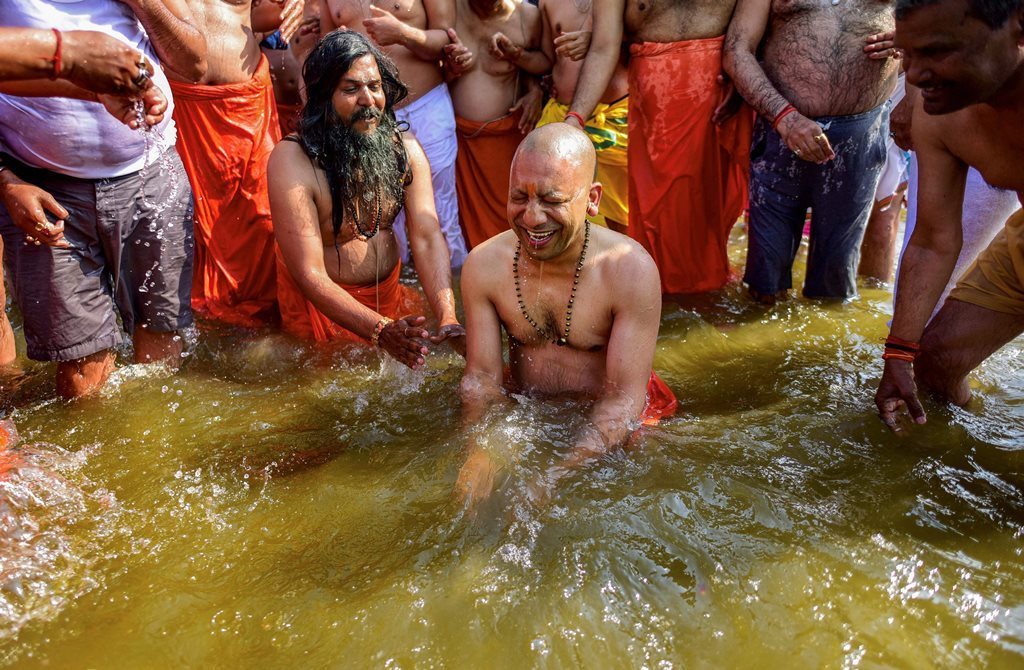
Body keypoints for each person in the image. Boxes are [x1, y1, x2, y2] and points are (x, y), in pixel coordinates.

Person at [455, 124, 676, 505]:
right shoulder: (485, 266)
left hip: (620, 412)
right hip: (530, 403)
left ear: (591, 199)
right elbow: (482, 381)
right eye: (518, 198)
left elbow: (624, 400)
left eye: (551, 200)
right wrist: (480, 452)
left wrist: (560, 471)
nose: (532, 217)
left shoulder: (630, 270)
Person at [0, 0, 205, 399]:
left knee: (163, 340)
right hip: (43, 188)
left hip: (151, 173)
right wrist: (5, 180)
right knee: (80, 374)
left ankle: (155, 451)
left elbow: (195, 65)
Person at [268, 30, 464, 366]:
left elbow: (428, 236)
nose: (368, 100)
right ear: (323, 97)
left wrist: (448, 317)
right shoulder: (292, 160)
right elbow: (309, 273)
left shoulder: (404, 147)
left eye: (374, 86)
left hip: (391, 299)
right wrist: (380, 331)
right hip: (321, 315)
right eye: (351, 89)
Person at [875, 0, 1024, 429]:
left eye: (939, 52)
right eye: (909, 55)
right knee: (934, 363)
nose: (916, 77)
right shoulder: (936, 107)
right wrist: (899, 354)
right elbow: (932, 240)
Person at [563, 0, 751, 297]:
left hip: (721, 104)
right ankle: (659, 302)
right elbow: (603, 48)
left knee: (713, 219)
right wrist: (574, 119)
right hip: (657, 110)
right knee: (658, 218)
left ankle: (708, 299)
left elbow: (752, 39)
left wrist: (743, 85)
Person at [724, 0, 898, 301]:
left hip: (861, 134)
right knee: (765, 280)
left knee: (836, 280)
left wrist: (911, 43)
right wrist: (785, 118)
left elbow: (946, 30)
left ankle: (827, 348)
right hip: (779, 130)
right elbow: (737, 50)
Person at [162, 0, 300, 327]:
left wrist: (297, 5)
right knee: (186, 219)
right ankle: (202, 324)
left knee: (264, 216)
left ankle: (268, 319)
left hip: (248, 104)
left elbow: (259, 14)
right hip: (182, 105)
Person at [321, 0, 468, 268]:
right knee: (382, 210)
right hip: (368, 116)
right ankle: (399, 293)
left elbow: (447, 38)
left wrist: (402, 32)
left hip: (427, 104)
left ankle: (456, 291)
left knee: (442, 206)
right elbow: (327, 53)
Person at [444, 0, 543, 249]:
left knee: (511, 222)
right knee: (456, 228)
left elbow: (545, 64)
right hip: (457, 144)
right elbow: (425, 64)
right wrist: (450, 68)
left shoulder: (526, 16)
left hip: (506, 139)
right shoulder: (448, 9)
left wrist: (535, 89)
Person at [529, 0, 628, 234]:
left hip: (613, 121)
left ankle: (624, 267)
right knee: (554, 208)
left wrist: (605, 38)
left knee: (623, 222)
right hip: (560, 116)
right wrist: (532, 87)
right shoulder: (546, 2)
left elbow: (652, 39)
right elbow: (545, 59)